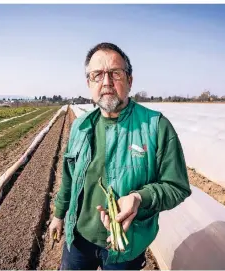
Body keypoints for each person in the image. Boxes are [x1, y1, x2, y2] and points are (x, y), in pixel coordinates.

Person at [49, 42, 192, 270]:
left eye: (115, 73)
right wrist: (58, 215)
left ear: (129, 80)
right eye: (97, 75)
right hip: (77, 240)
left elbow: (177, 186)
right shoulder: (81, 126)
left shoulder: (157, 126)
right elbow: (69, 177)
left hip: (125, 248)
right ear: (89, 83)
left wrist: (139, 197)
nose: (106, 82)